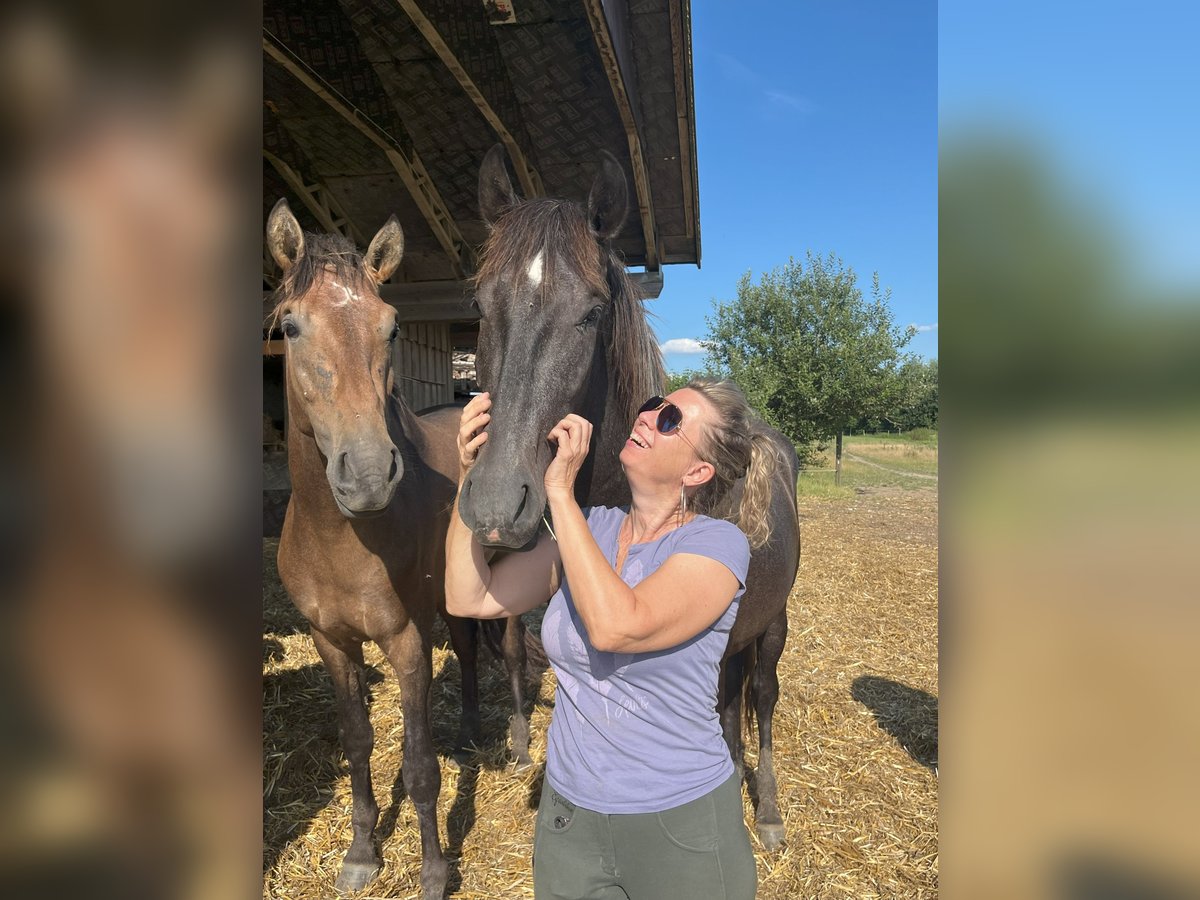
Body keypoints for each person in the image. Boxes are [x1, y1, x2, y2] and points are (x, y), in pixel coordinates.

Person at [445, 380, 780, 900]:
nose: (648, 417)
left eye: (670, 419)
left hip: (679, 825)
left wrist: (560, 492)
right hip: (570, 819)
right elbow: (470, 598)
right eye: (652, 407)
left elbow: (617, 626)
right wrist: (469, 479)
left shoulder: (717, 544)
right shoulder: (592, 528)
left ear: (698, 472)